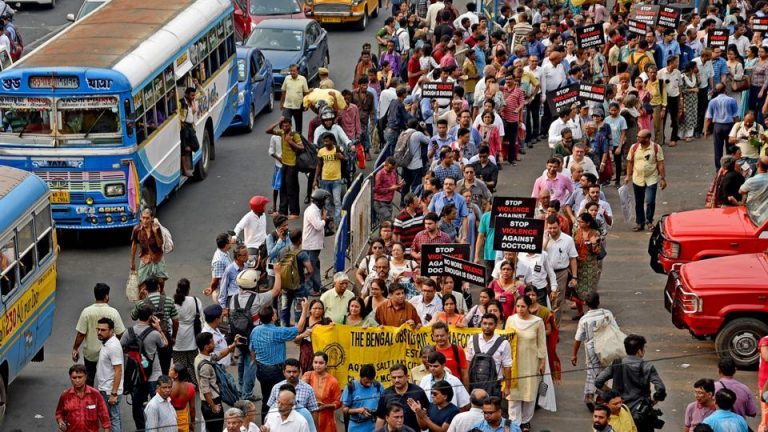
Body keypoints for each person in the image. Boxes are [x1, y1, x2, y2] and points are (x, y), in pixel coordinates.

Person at [250, 304, 311, 422]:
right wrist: (304, 309)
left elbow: (252, 350)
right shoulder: (278, 332)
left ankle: (266, 423)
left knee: (266, 399)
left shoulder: (255, 330)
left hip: (261, 369)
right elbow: (299, 328)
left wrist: (256, 362)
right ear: (273, 317)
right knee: (280, 398)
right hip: (276, 371)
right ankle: (280, 422)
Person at [231, 264, 283, 400]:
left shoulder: (234, 299)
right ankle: (247, 394)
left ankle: (241, 389)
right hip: (252, 335)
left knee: (242, 361)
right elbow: (276, 290)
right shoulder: (258, 299)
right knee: (251, 364)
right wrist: (277, 272)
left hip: (238, 336)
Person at [595, 335, 667, 432]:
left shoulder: (617, 363)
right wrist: (654, 400)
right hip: (640, 414)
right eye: (643, 348)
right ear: (639, 351)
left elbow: (598, 381)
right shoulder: (647, 366)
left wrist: (611, 393)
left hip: (619, 413)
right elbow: (661, 389)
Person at [122, 303, 169, 431]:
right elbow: (165, 344)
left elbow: (122, 347)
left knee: (137, 405)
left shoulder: (129, 332)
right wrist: (159, 328)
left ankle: (141, 428)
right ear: (151, 317)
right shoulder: (154, 334)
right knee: (157, 404)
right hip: (153, 375)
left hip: (136, 376)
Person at [505, 295, 547, 430]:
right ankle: (514, 422)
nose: (520, 309)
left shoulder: (538, 322)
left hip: (531, 362)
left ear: (529, 307)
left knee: (529, 392)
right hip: (514, 362)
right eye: (517, 306)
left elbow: (542, 344)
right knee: (514, 393)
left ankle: (525, 421)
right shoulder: (511, 320)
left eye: (523, 306)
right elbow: (505, 341)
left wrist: (542, 362)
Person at [72, 283, 125, 387]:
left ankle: (89, 399)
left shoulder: (86, 312)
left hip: (90, 354)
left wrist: (75, 348)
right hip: (108, 353)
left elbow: (81, 334)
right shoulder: (113, 312)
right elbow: (120, 333)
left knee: (89, 378)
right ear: (106, 296)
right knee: (107, 378)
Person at [572, 292, 619, 410]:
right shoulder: (607, 314)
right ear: (598, 302)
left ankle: (589, 395)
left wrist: (574, 355)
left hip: (591, 350)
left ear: (586, 304)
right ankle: (600, 397)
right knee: (605, 372)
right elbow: (616, 329)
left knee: (591, 372)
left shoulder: (584, 319)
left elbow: (578, 339)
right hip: (606, 347)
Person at [195, 331, 240, 432]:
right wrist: (213, 406)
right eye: (211, 342)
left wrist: (233, 344)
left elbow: (219, 355)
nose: (214, 343)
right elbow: (205, 389)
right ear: (206, 347)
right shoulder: (205, 366)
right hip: (211, 402)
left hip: (209, 403)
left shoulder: (201, 357)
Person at [625, 130, 667, 232]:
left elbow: (660, 164)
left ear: (647, 138)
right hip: (637, 178)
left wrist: (662, 178)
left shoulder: (656, 148)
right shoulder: (634, 147)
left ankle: (649, 221)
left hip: (651, 178)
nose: (638, 139)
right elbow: (630, 162)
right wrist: (628, 175)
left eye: (640, 137)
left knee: (650, 201)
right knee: (638, 202)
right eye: (638, 136)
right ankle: (640, 222)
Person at [465, 313, 513, 399]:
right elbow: (468, 363)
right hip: (474, 384)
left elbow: (507, 367)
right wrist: (466, 384)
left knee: (493, 412)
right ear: (481, 324)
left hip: (494, 385)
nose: (487, 326)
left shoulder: (503, 343)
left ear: (496, 325)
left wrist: (507, 387)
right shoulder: (473, 339)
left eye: (490, 324)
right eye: (484, 323)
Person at [56, 364, 112, 432]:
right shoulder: (65, 396)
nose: (77, 380)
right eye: (74, 378)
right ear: (70, 378)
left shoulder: (95, 395)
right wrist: (60, 422)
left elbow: (105, 417)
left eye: (80, 377)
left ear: (85, 377)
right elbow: (59, 413)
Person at [376, 364, 430, 432]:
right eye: (394, 377)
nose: (397, 380)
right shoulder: (386, 394)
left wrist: (418, 412)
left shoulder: (418, 392)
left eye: (400, 377)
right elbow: (380, 418)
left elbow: (424, 426)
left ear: (407, 377)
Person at [268, 118, 304, 218]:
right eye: (283, 126)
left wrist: (290, 141)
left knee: (291, 188)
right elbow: (268, 131)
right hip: (284, 164)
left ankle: (294, 212)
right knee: (283, 188)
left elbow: (301, 147)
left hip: (292, 165)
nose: (285, 127)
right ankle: (282, 211)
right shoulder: (282, 132)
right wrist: (277, 122)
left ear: (291, 125)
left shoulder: (294, 135)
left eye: (287, 125)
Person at [266, 358, 320, 424]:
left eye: (294, 372)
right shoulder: (276, 388)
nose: (291, 374)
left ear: (299, 372)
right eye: (288, 372)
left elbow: (314, 411)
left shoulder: (308, 389)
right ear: (283, 372)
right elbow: (270, 410)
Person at [94, 317, 123, 432]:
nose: (99, 332)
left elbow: (118, 370)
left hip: (109, 390)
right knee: (113, 418)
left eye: (103, 330)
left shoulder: (113, 346)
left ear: (111, 331)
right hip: (106, 388)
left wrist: (113, 393)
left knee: (112, 419)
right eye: (98, 329)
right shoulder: (107, 342)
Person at [303, 352, 342, 432]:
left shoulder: (332, 381)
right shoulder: (307, 376)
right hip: (308, 417)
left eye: (321, 363)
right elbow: (299, 394)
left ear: (326, 364)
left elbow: (338, 402)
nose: (317, 365)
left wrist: (326, 406)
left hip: (326, 420)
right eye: (315, 362)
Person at [130, 208, 168, 291]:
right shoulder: (137, 229)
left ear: (151, 218)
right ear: (140, 217)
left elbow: (160, 244)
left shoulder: (157, 229)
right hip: (145, 257)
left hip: (157, 257)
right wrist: (132, 262)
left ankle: (161, 292)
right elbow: (134, 245)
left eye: (147, 218)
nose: (145, 220)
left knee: (161, 281)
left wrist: (155, 233)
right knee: (140, 283)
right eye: (143, 218)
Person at [704, 83, 740, 170]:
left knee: (718, 149)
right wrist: (737, 129)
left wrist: (706, 130)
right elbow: (736, 116)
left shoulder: (712, 101)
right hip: (729, 126)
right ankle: (730, 167)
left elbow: (708, 118)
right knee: (730, 148)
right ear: (725, 89)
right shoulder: (732, 100)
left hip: (718, 126)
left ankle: (719, 169)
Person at [314, 132, 346, 230]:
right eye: (324, 141)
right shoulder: (321, 151)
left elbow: (345, 159)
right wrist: (315, 179)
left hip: (336, 180)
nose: (326, 143)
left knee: (337, 201)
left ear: (332, 141)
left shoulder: (338, 149)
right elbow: (319, 165)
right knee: (327, 203)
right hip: (325, 180)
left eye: (327, 141)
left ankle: (338, 223)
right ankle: (329, 221)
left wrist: (342, 157)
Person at [303, 189, 330, 295]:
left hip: (315, 244)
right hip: (311, 245)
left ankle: (317, 286)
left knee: (315, 265)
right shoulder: (312, 211)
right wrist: (324, 220)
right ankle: (310, 289)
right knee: (311, 267)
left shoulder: (317, 210)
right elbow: (318, 225)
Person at [343, 364, 384, 432]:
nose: (369, 384)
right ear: (360, 377)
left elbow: (384, 405)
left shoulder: (378, 386)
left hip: (374, 426)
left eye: (371, 381)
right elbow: (344, 409)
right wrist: (358, 410)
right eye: (366, 382)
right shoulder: (351, 387)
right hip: (355, 426)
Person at [297, 300, 333, 373]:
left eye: (320, 309)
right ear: (310, 310)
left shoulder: (326, 322)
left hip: (320, 355)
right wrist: (303, 335)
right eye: (315, 308)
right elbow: (295, 339)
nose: (317, 310)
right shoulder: (305, 321)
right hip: (305, 355)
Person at [280, 64, 310, 134]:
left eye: (294, 71)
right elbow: (283, 91)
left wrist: (307, 104)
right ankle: (286, 138)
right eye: (291, 71)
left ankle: (299, 140)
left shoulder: (303, 79)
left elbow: (306, 93)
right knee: (285, 123)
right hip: (288, 106)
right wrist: (281, 103)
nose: (292, 72)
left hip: (298, 106)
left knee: (298, 126)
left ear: (297, 71)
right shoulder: (287, 78)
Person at [374, 157, 404, 223]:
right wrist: (390, 189)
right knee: (387, 221)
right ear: (385, 165)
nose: (391, 170)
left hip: (389, 202)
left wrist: (399, 186)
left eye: (393, 168)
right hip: (380, 202)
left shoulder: (393, 172)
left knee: (385, 223)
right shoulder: (380, 174)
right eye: (390, 168)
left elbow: (395, 185)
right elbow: (376, 189)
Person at [739, 156, 768, 226]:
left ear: (757, 165)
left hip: (752, 212)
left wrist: (744, 176)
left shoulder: (751, 181)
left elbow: (741, 191)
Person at [170, 363, 197, 432]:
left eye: (171, 369)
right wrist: (193, 422)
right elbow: (192, 408)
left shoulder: (167, 388)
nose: (169, 370)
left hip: (170, 417)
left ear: (176, 375)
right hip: (183, 419)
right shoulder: (191, 387)